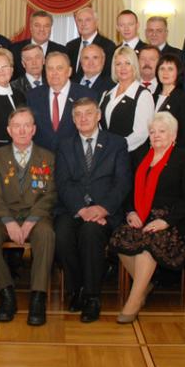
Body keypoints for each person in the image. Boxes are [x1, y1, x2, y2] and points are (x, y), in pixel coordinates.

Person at [109, 112, 185, 323]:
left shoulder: (183, 157)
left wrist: (165, 221)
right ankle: (144, 286)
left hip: (171, 220)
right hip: (141, 215)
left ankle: (133, 302)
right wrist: (130, 212)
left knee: (147, 243)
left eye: (162, 131)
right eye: (152, 131)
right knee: (118, 237)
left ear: (173, 135)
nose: (156, 135)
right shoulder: (140, 156)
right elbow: (128, 190)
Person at [54, 97, 131, 322]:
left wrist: (103, 208)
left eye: (88, 113)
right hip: (73, 209)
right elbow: (63, 182)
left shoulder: (116, 143)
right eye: (78, 114)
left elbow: (123, 182)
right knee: (61, 234)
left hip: (105, 211)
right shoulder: (65, 145)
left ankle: (92, 296)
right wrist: (81, 209)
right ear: (73, 119)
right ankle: (76, 289)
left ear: (98, 116)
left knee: (90, 233)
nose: (83, 118)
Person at [0, 107, 57, 326]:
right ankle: (6, 293)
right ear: (9, 130)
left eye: (26, 125)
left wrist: (32, 220)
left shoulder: (47, 157)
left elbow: (50, 194)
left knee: (47, 234)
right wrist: (8, 222)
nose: (22, 130)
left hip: (36, 215)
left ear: (34, 129)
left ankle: (38, 297)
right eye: (16, 126)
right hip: (4, 215)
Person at [26, 51, 97, 152]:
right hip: (42, 157)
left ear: (69, 71)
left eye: (59, 68)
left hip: (75, 156)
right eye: (50, 68)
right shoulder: (33, 96)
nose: (54, 73)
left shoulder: (86, 94)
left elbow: (92, 131)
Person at [98, 46, 156, 162]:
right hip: (106, 158)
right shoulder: (106, 94)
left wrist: (116, 148)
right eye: (118, 64)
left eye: (127, 63)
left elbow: (142, 133)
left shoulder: (143, 95)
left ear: (134, 66)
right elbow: (100, 126)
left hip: (131, 158)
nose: (123, 68)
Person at [152, 53, 185, 150]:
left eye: (170, 69)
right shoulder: (152, 97)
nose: (165, 73)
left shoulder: (184, 99)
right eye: (162, 69)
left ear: (178, 72)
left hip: (172, 152)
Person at [10, 10, 66, 77]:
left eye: (46, 26)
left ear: (51, 28)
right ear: (31, 27)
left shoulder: (62, 51)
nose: (41, 29)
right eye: (37, 25)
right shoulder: (15, 49)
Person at [66, 6, 117, 78]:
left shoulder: (108, 46)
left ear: (96, 22)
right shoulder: (70, 46)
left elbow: (108, 74)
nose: (83, 24)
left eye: (87, 20)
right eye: (80, 21)